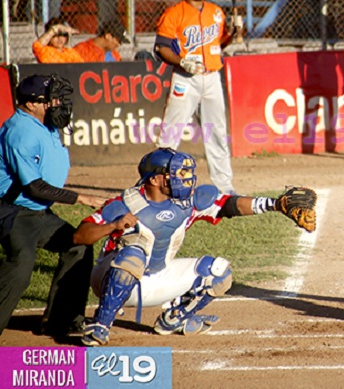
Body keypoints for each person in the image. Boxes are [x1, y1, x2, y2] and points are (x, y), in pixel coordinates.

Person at [74, 148, 316, 346]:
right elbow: (80, 236)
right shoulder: (125, 203)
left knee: (219, 272)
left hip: (158, 278)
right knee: (133, 253)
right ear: (156, 179)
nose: (184, 178)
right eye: (176, 173)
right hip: (110, 278)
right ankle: (101, 325)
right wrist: (113, 225)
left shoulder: (187, 202)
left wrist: (276, 204)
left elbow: (230, 205)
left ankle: (174, 318)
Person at [0, 75, 107, 337]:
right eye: (51, 99)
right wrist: (82, 198)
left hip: (37, 212)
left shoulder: (45, 123)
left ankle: (63, 319)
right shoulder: (19, 132)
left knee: (79, 244)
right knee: (21, 265)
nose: (57, 104)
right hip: (12, 212)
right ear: (31, 103)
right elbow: (33, 187)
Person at [153, 0, 242, 194]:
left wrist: (234, 32)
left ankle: (224, 186)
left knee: (217, 133)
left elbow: (220, 43)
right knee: (171, 132)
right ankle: (154, 182)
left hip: (212, 78)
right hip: (185, 78)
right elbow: (161, 48)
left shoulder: (217, 12)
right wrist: (181, 61)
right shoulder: (174, 13)